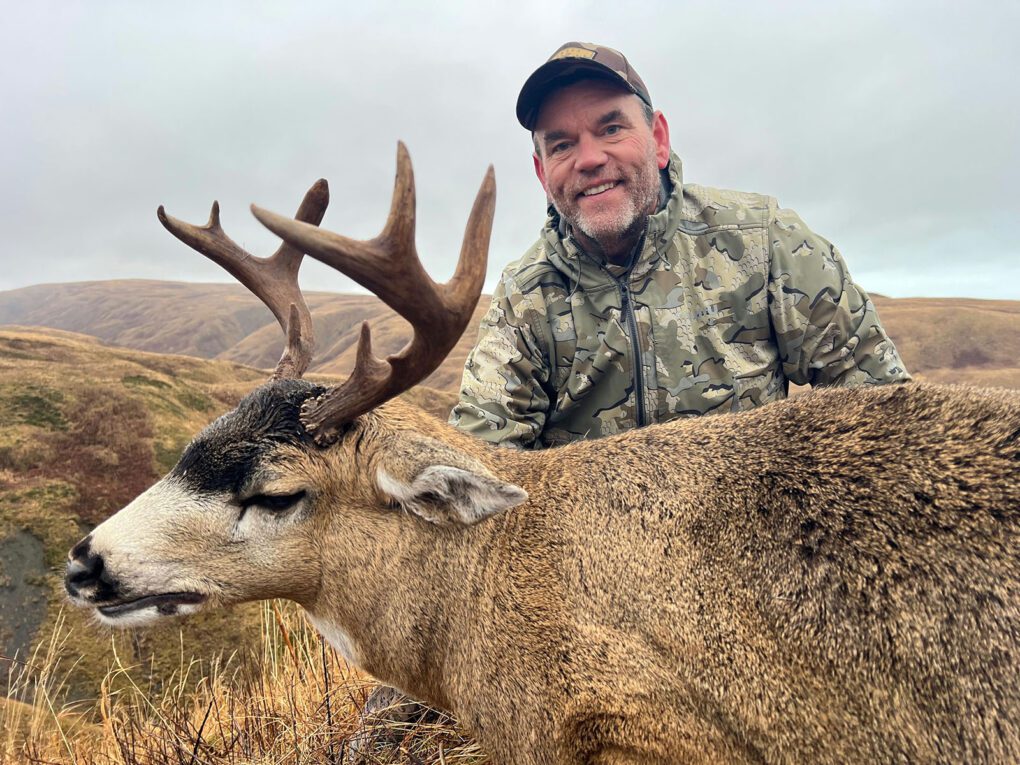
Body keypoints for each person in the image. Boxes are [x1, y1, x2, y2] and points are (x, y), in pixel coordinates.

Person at [450, 41, 910, 448]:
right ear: (542, 174)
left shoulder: (766, 241)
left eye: (611, 129)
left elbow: (882, 408)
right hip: (591, 545)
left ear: (658, 139)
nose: (589, 159)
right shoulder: (523, 296)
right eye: (562, 146)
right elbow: (482, 454)